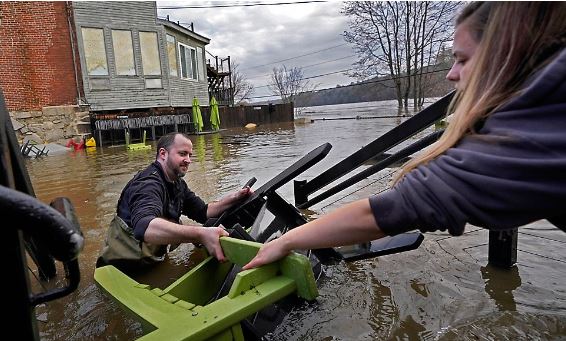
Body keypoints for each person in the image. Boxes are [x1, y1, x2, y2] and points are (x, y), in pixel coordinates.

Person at [243, 2, 566, 270]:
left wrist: (286, 240)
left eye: (463, 59)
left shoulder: (526, 140)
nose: (452, 74)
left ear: (511, 56)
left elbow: (387, 211)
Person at [97, 132, 252, 270]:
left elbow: (203, 212)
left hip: (151, 260)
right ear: (163, 154)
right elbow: (144, 228)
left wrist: (234, 198)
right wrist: (200, 234)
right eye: (183, 154)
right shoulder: (147, 184)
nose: (189, 160)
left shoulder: (177, 183)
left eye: (190, 155)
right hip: (122, 269)